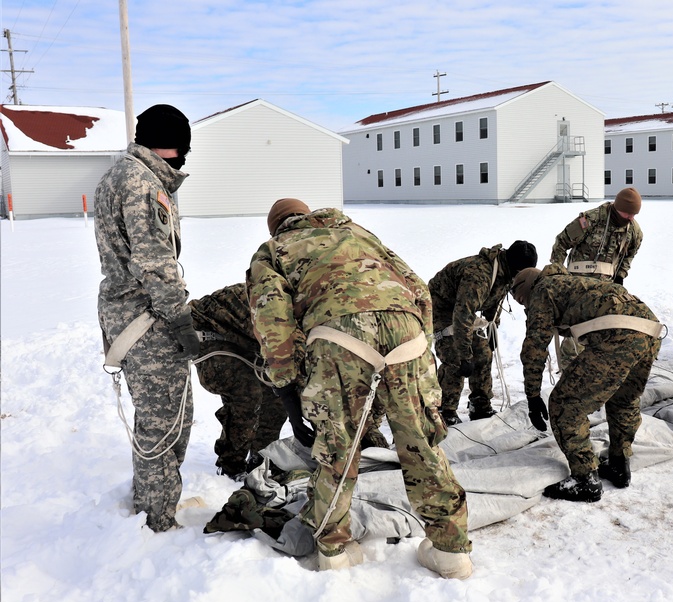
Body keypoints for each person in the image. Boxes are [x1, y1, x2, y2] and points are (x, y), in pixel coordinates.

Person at [247, 200, 473, 577]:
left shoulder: (273, 251)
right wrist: (422, 346)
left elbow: (272, 317)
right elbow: (417, 286)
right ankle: (451, 551)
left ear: (276, 227)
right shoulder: (357, 232)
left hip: (338, 337)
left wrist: (288, 389)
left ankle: (334, 550)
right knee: (421, 442)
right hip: (407, 332)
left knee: (338, 446)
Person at [94, 104, 197, 532]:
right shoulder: (143, 184)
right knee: (165, 420)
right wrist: (181, 321)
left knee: (166, 414)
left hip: (131, 314)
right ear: (174, 145)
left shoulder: (121, 174)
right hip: (146, 318)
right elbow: (155, 262)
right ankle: (158, 517)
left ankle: (155, 497)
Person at [513, 264, 664, 502]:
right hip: (650, 331)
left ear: (528, 289)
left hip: (618, 336)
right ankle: (618, 463)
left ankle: (585, 480)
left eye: (523, 301)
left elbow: (534, 348)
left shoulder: (543, 290)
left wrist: (532, 396)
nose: (526, 307)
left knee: (565, 403)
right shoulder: (569, 282)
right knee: (623, 400)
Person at [429, 241, 538, 425]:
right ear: (517, 268)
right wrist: (464, 355)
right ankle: (444, 410)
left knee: (483, 354)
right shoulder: (478, 275)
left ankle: (480, 405)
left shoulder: (506, 272)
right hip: (441, 307)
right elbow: (463, 313)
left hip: (462, 310)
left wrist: (492, 330)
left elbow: (494, 301)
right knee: (455, 359)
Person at [189, 283, 288, 478]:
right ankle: (230, 465)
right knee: (247, 396)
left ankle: (262, 460)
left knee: (276, 398)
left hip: (244, 341)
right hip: (209, 335)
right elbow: (283, 350)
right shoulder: (270, 303)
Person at [550, 187, 643, 285]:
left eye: (634, 214)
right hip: (576, 284)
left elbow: (630, 255)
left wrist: (620, 276)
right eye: (628, 213)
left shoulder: (633, 231)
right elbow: (562, 242)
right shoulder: (590, 219)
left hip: (606, 287)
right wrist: (557, 271)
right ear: (618, 208)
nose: (631, 218)